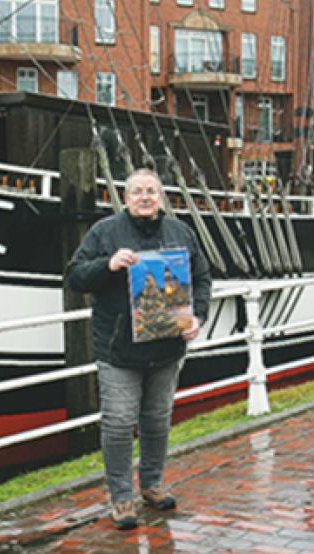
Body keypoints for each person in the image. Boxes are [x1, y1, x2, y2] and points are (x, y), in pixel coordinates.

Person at [66, 168, 212, 529]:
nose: (145, 197)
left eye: (151, 191)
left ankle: (152, 484)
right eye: (137, 192)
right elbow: (75, 275)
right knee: (118, 423)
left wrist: (198, 316)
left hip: (166, 347)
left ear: (160, 196)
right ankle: (121, 498)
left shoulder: (180, 233)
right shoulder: (105, 232)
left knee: (158, 419)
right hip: (120, 349)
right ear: (126, 197)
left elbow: (202, 278)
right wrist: (109, 264)